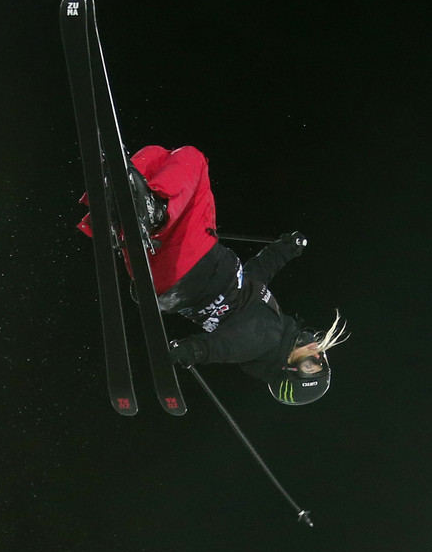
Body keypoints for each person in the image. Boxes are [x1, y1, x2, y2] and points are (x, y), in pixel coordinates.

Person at [79, 144, 348, 404]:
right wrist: (285, 250)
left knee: (193, 160)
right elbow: (255, 274)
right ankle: (119, 198)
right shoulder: (268, 322)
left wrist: (192, 350)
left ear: (288, 370)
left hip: (194, 259)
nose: (317, 355)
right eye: (321, 361)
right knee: (159, 158)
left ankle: (149, 210)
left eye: (310, 366)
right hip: (166, 277)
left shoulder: (265, 339)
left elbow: (226, 346)